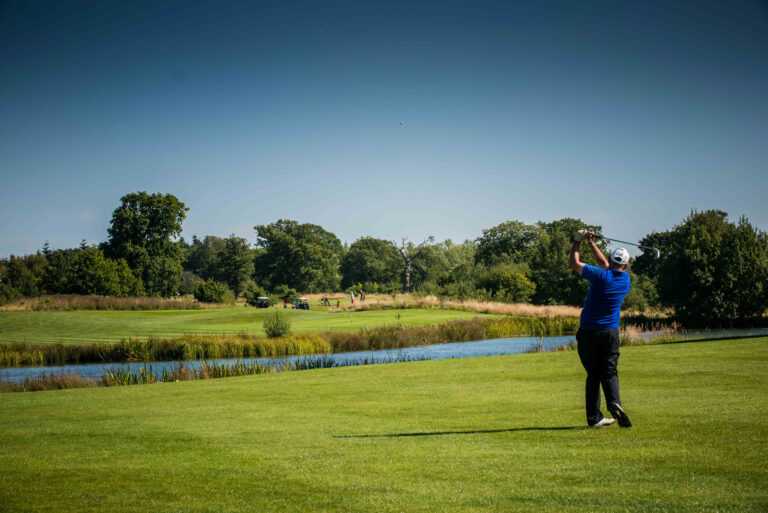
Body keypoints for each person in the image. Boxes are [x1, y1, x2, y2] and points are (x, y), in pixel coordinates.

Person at [569, 230, 633, 428]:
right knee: (610, 372)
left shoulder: (599, 276)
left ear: (612, 261)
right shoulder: (625, 281)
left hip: (588, 332)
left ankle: (594, 418)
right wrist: (591, 243)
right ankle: (615, 401)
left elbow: (574, 263)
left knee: (593, 375)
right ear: (626, 265)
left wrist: (577, 241)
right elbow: (606, 265)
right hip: (610, 334)